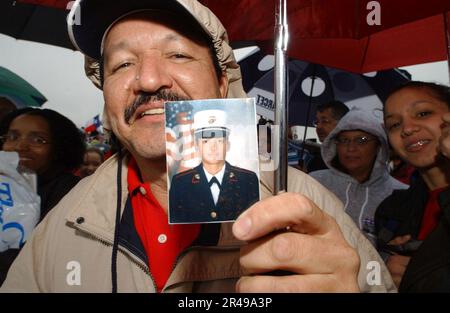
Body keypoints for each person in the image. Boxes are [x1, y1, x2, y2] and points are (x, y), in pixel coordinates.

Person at [1, 0, 394, 293]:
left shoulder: (303, 203)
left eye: (178, 54)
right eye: (122, 64)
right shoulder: (65, 220)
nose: (150, 79)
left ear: (222, 85)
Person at [375, 81, 450, 292]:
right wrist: (386, 275)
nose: (407, 129)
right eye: (394, 125)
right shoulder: (391, 212)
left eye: (423, 113)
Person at [0, 107, 85, 285]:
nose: (20, 146)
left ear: (60, 149)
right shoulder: (5, 186)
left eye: (38, 140)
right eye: (13, 137)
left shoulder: (72, 192)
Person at [310, 108, 408, 245]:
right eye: (344, 140)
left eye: (361, 140)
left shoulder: (401, 195)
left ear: (378, 146)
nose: (351, 148)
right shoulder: (314, 183)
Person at [169, 109, 259, 223]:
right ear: (197, 146)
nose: (213, 147)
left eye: (219, 141)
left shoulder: (247, 179)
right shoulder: (181, 183)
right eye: (206, 141)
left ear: (228, 145)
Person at [306, 100, 349, 172]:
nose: (318, 127)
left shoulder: (352, 158)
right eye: (317, 122)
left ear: (342, 123)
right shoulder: (316, 161)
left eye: (325, 121)